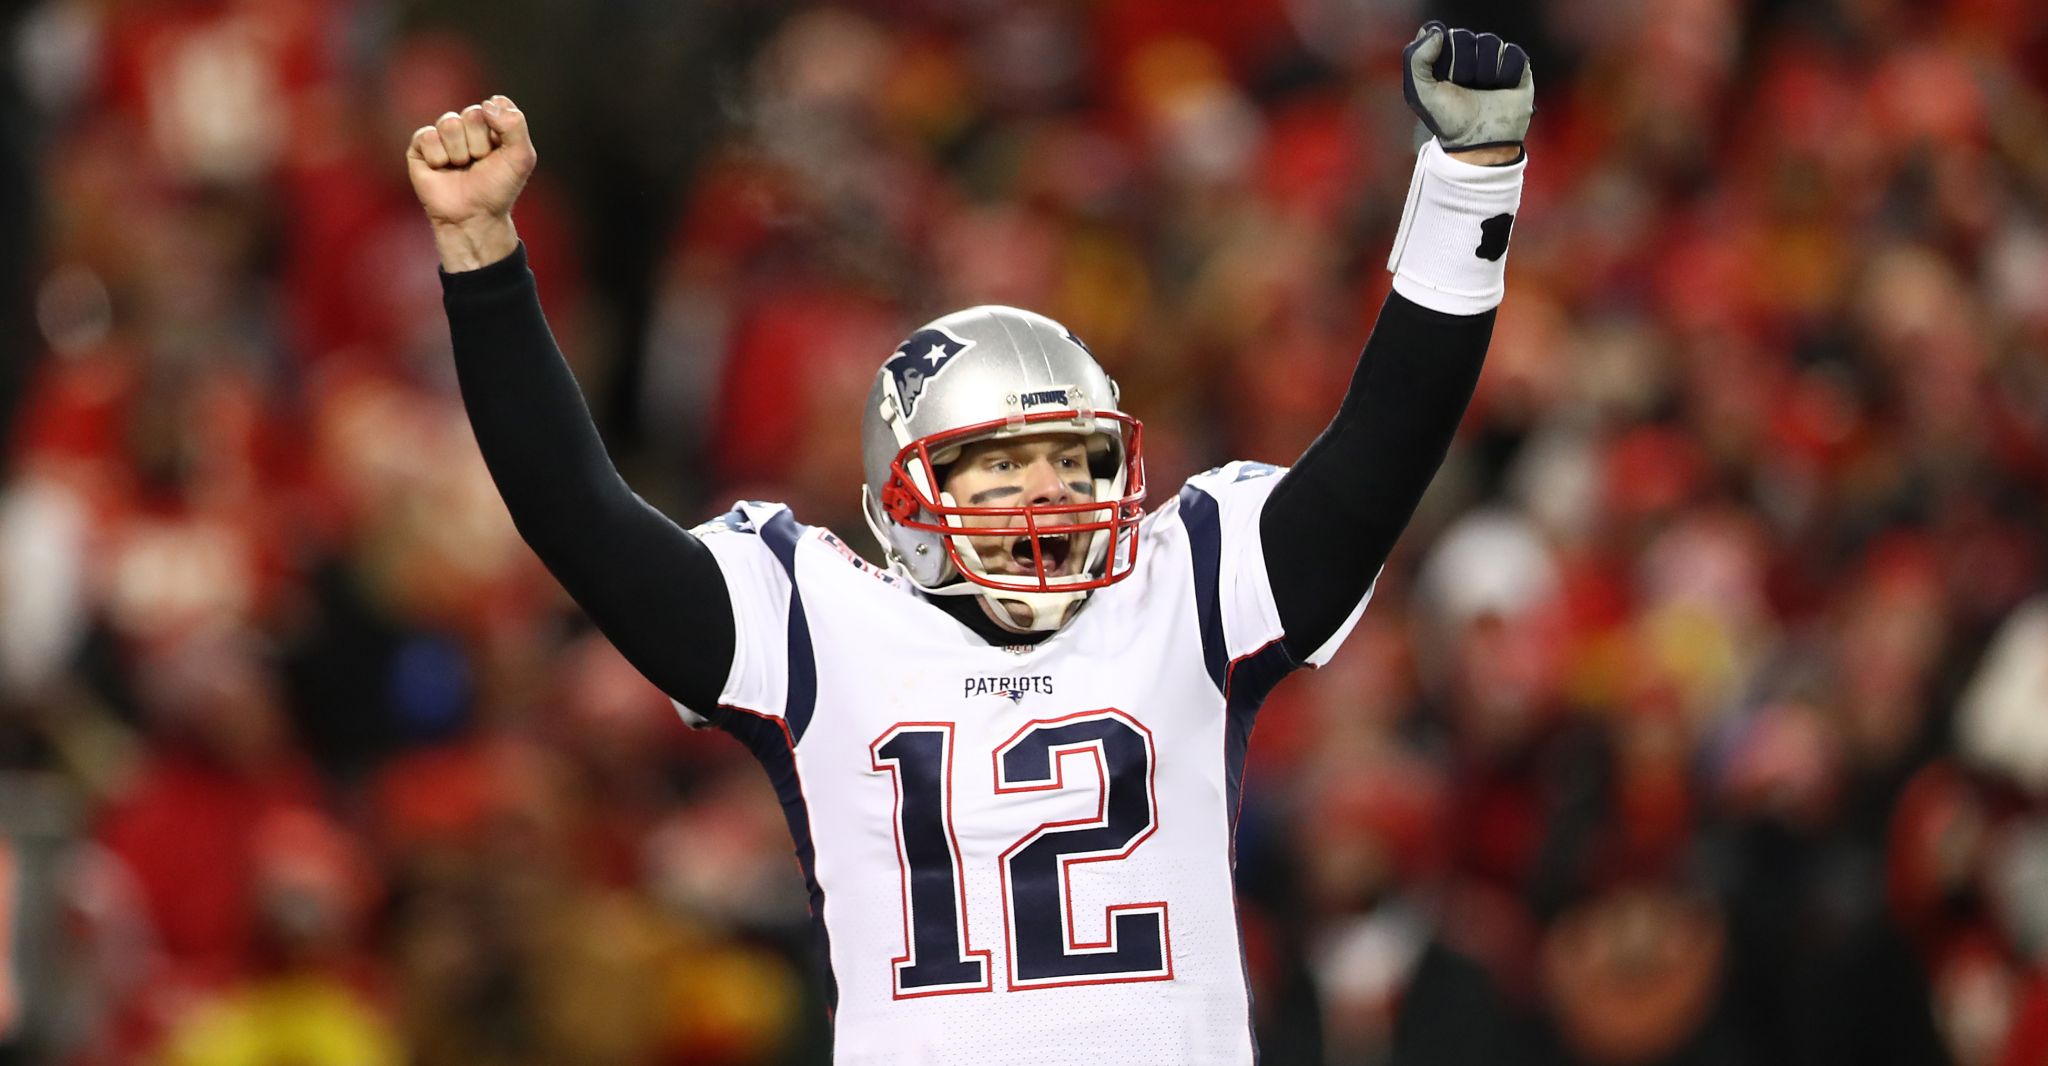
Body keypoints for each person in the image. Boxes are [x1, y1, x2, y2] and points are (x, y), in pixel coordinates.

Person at [410, 21, 1533, 1065]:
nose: (1046, 492)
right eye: (997, 464)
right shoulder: (816, 621)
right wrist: (482, 255)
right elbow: (581, 519)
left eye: (1074, 461)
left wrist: (1465, 186)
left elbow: (1380, 455)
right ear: (904, 493)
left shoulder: (1181, 586)